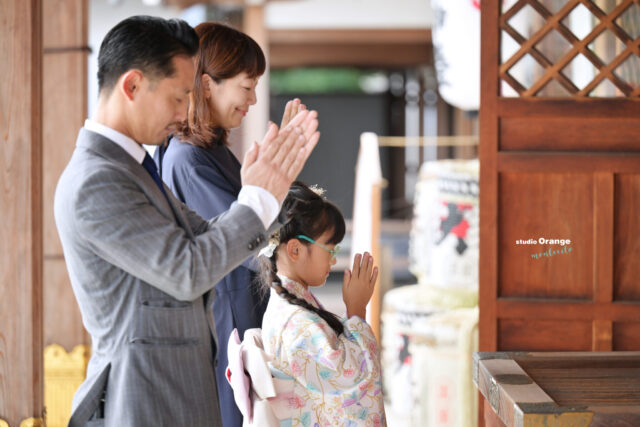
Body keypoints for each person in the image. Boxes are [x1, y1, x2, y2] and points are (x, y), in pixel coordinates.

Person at [54, 16, 319, 427]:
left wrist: (269, 192)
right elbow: (187, 270)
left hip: (173, 388)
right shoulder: (96, 180)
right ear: (133, 86)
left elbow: (208, 236)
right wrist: (257, 199)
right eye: (178, 96)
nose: (184, 111)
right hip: (144, 396)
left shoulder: (132, 167)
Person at [154, 23, 307, 427]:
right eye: (247, 85)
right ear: (207, 85)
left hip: (243, 308)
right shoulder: (187, 158)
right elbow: (246, 242)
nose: (254, 99)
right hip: (231, 318)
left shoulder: (209, 150)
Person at [247, 182, 386, 426]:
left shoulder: (290, 309)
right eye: (329, 250)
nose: (333, 261)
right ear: (295, 249)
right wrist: (356, 309)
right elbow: (353, 379)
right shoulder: (296, 323)